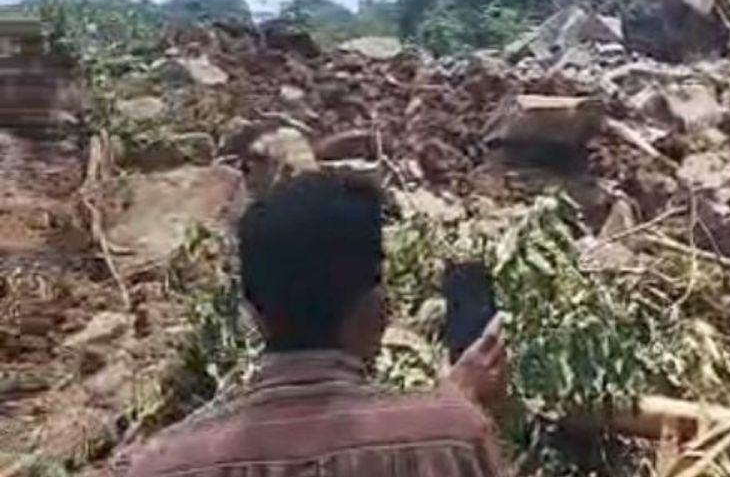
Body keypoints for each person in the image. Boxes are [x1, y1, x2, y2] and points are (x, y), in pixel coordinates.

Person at [121, 173, 508, 477]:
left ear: (252, 316)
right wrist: (453, 405)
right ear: (376, 310)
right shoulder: (452, 440)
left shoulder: (164, 464)